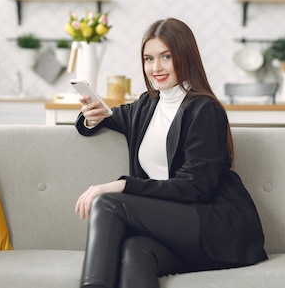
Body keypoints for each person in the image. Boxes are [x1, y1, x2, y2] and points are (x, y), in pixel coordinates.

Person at [74, 18, 267, 288]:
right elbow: (104, 117)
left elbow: (195, 188)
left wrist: (121, 185)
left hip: (212, 226)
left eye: (166, 56)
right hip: (172, 227)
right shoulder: (146, 106)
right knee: (135, 250)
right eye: (149, 58)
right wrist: (90, 118)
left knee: (108, 203)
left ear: (185, 57)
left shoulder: (204, 109)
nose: (156, 67)